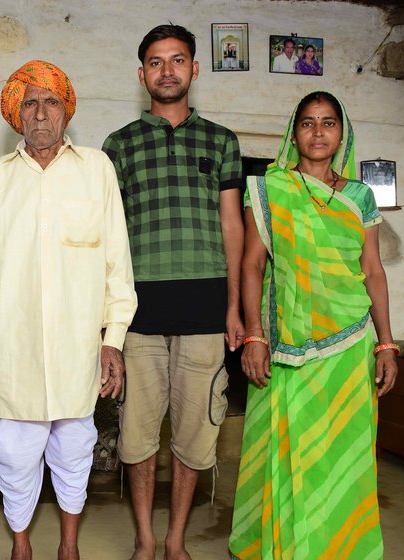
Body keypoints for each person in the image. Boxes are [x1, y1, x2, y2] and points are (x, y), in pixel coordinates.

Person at [0, 60, 137, 560]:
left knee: (75, 448)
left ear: (67, 111)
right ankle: (21, 544)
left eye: (51, 102)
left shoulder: (96, 169)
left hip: (78, 345)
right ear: (16, 117)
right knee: (14, 453)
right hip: (14, 348)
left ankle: (68, 546)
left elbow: (116, 262)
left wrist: (113, 339)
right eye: (30, 103)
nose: (41, 113)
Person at [228, 91, 398, 559]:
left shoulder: (361, 196)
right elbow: (251, 265)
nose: (318, 132)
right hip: (289, 347)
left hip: (351, 343)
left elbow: (373, 270)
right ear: (293, 131)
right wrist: (255, 334)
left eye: (328, 123)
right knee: (290, 450)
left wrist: (386, 344)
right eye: (307, 123)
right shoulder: (269, 189)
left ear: (343, 133)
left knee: (344, 454)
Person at [102, 24, 244, 560]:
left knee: (194, 432)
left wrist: (235, 308)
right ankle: (144, 538)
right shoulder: (117, 145)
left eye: (177, 60)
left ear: (194, 69)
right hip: (138, 313)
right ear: (142, 74)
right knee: (137, 436)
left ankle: (177, 539)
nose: (167, 70)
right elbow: (108, 236)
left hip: (207, 311)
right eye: (156, 62)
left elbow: (234, 228)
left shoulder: (222, 141)